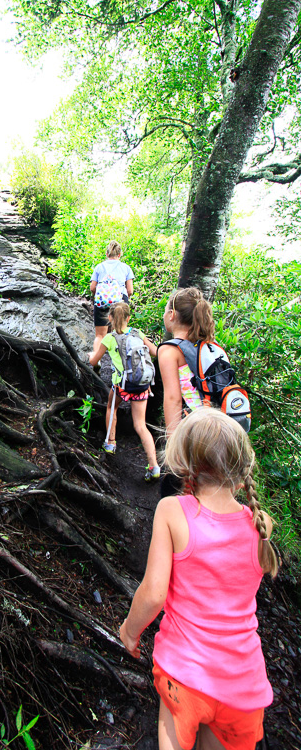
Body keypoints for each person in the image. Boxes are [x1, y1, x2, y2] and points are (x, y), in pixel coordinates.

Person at [119, 408, 277, 750]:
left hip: (185, 676)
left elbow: (154, 592)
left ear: (185, 463)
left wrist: (130, 631)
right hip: (243, 687)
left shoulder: (173, 511)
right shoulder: (260, 523)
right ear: (239, 472)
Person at [89, 302, 160, 480]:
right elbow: (155, 352)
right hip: (141, 386)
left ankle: (111, 443)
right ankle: (154, 467)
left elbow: (94, 361)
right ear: (128, 318)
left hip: (121, 386)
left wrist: (90, 356)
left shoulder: (109, 339)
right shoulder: (137, 333)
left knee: (110, 408)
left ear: (110, 318)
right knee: (140, 426)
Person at [158, 287, 215, 497]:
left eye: (165, 311)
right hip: (212, 428)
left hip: (189, 431)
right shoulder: (207, 346)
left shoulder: (170, 350)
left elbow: (173, 399)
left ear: (171, 315)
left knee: (173, 494)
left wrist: (173, 443)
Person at [90, 241, 134, 354]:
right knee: (119, 332)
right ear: (119, 254)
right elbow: (130, 290)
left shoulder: (99, 267)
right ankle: (117, 359)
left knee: (100, 335)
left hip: (102, 301)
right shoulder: (126, 268)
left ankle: (97, 359)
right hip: (120, 301)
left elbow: (92, 287)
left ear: (107, 253)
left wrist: (101, 297)